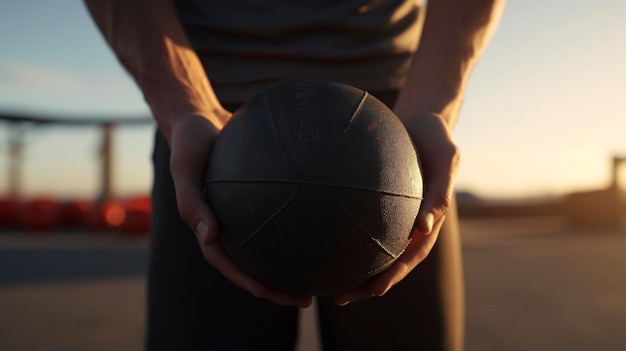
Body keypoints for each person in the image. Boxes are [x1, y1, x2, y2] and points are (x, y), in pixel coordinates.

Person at [85, 0, 505, 349]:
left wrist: (432, 103)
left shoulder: (406, 133)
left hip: (396, 128)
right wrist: (183, 105)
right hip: (212, 128)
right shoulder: (203, 129)